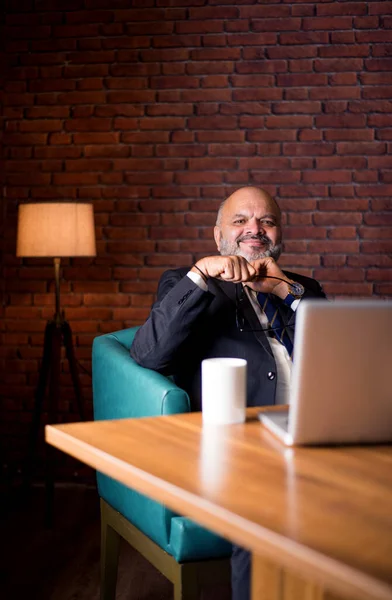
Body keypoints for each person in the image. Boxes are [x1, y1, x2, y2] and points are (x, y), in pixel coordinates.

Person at [130, 186, 326, 600]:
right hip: (240, 445)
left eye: (266, 221)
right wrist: (203, 271)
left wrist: (282, 290)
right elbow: (149, 354)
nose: (254, 230)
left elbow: (338, 357)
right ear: (218, 234)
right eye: (240, 221)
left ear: (279, 233)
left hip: (311, 434)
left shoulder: (303, 288)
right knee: (267, 507)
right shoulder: (189, 284)